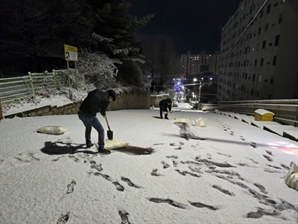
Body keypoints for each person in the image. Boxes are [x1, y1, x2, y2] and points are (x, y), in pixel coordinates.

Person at [78, 89, 116, 154]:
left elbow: (89, 94)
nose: (110, 101)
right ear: (110, 97)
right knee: (101, 130)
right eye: (112, 100)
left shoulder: (97, 91)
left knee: (88, 127)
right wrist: (104, 114)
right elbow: (102, 111)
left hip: (81, 113)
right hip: (89, 115)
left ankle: (88, 143)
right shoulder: (106, 100)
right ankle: (101, 148)